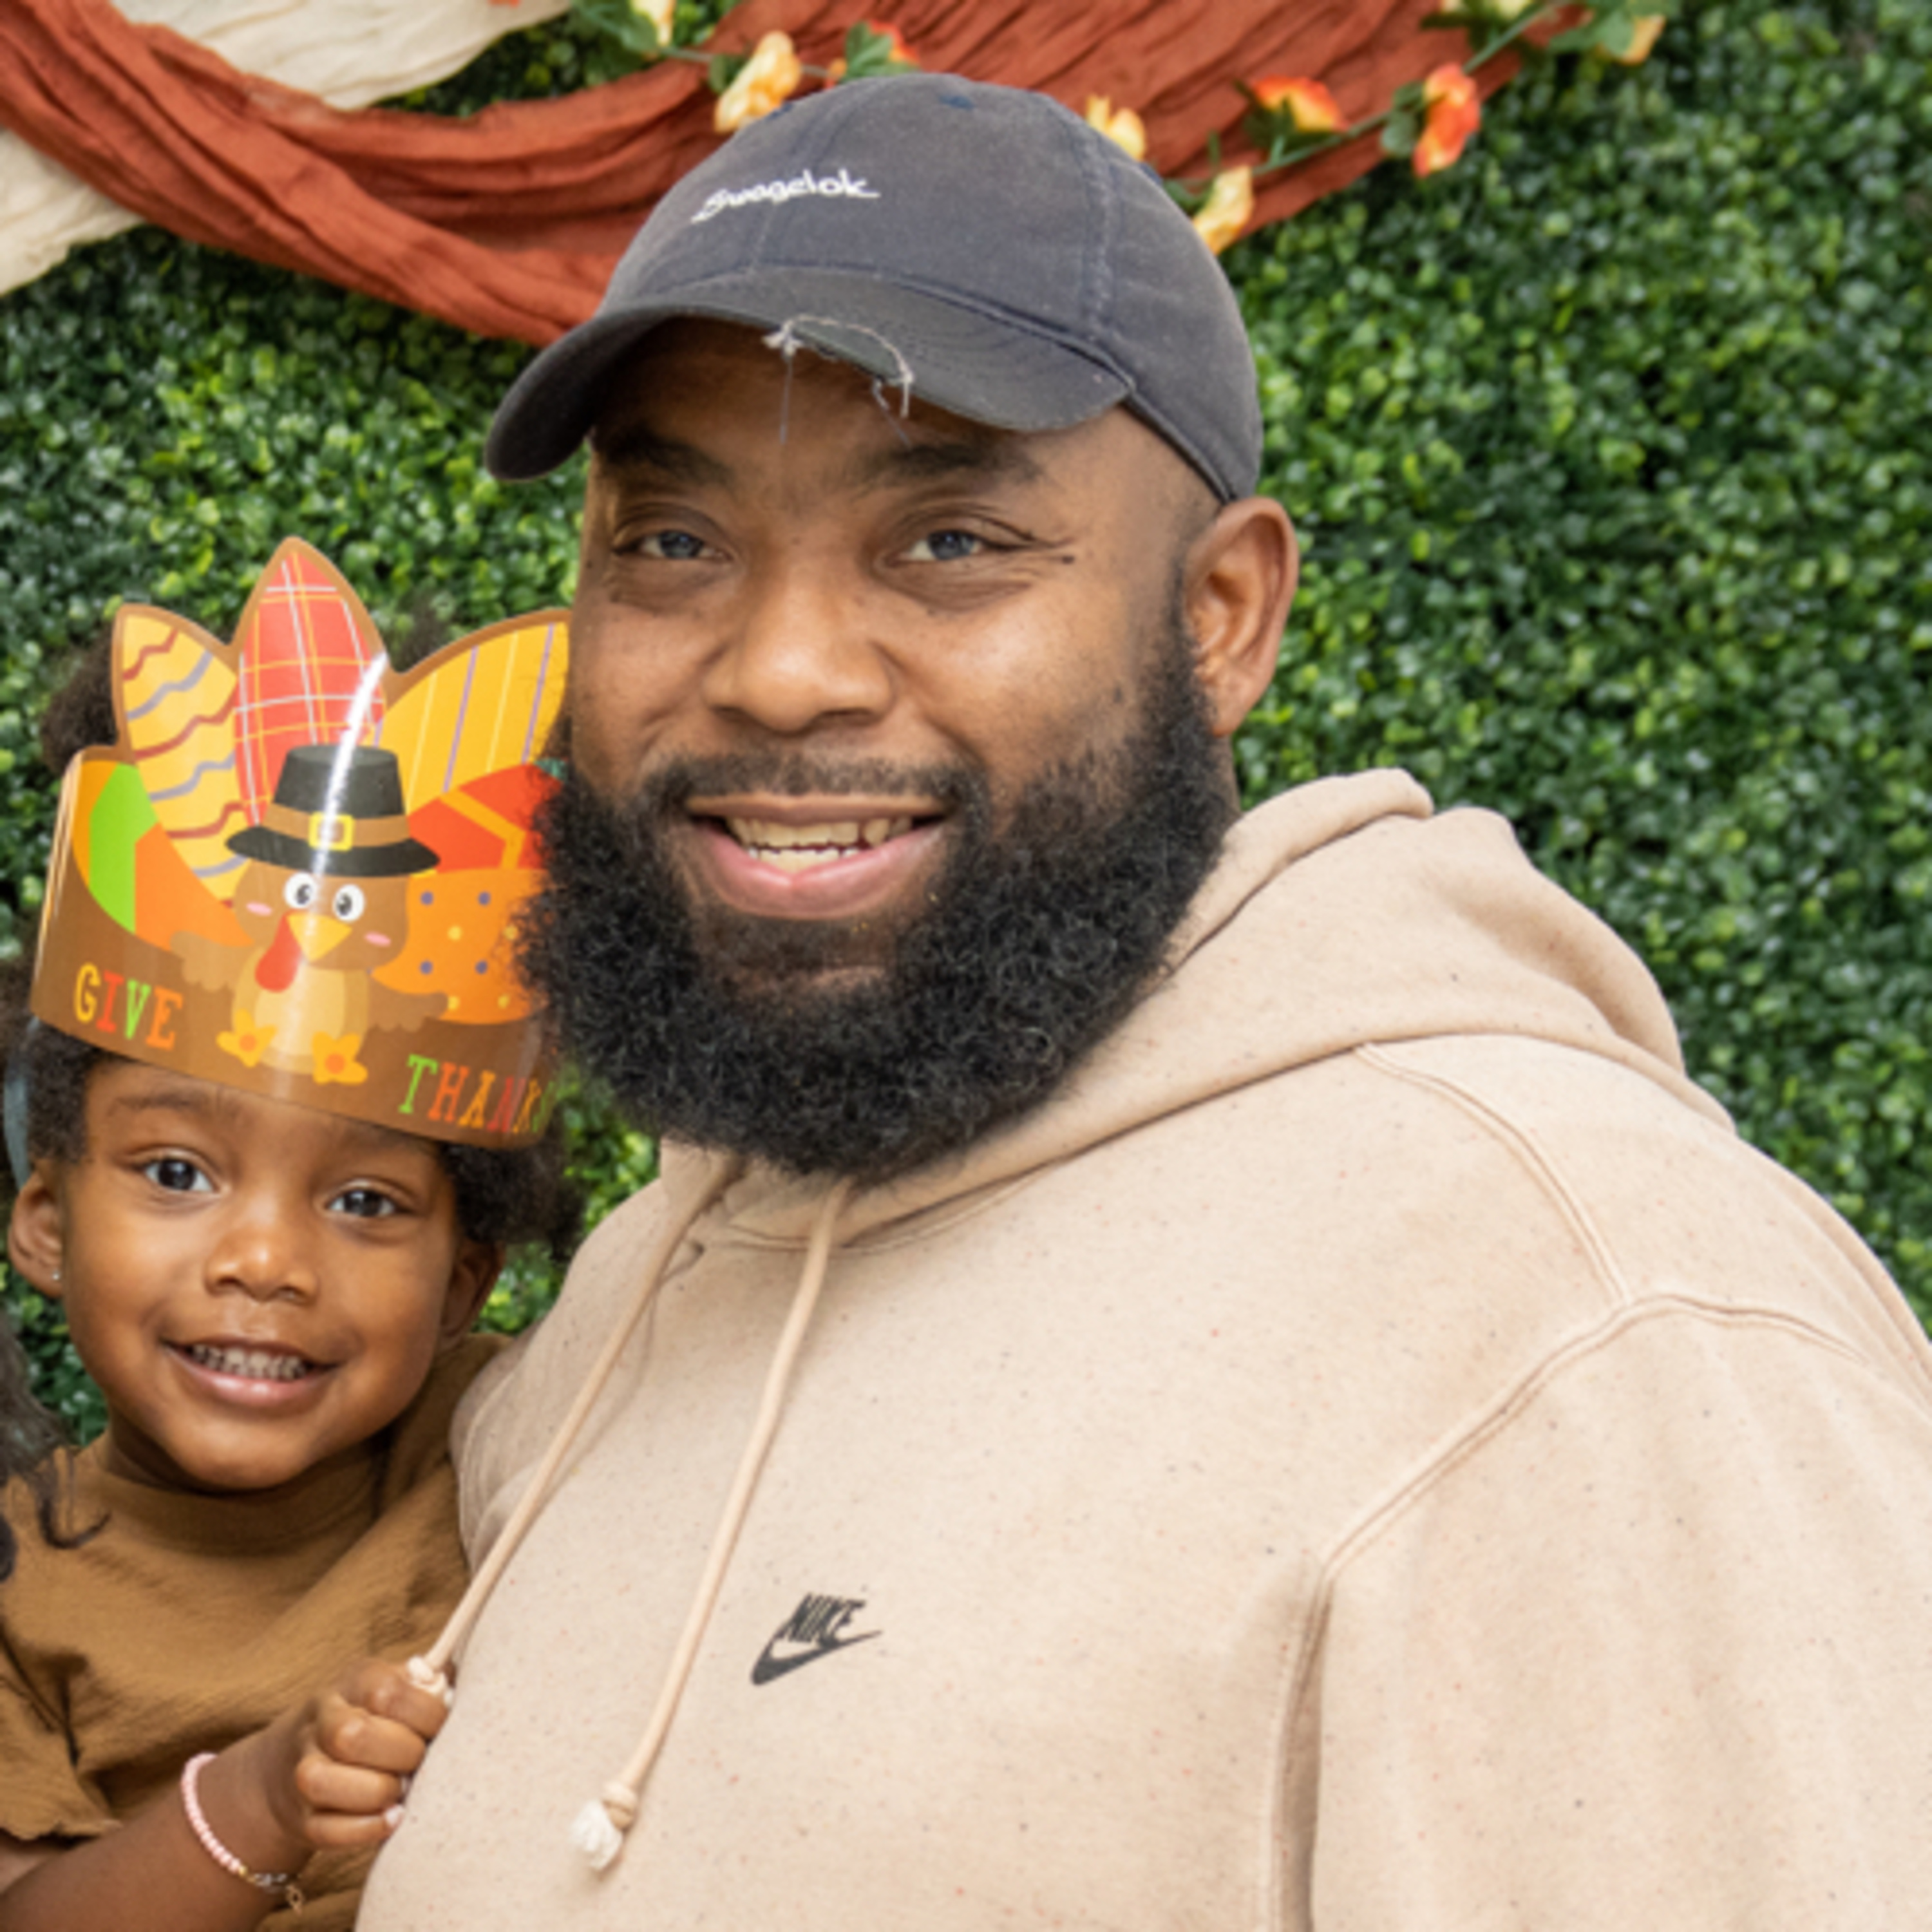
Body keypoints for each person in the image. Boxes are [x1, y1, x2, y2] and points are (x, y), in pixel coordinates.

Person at [360, 75, 1932, 1929]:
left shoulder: (1589, 1326)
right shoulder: (648, 1284)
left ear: (1221, 620)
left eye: (951, 541)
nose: (778, 671)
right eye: (673, 543)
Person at [0, 541, 577, 1932]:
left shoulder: (511, 1440)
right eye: (177, 1171)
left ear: (465, 1279)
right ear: (44, 1220)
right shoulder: (17, 1582)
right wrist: (259, 1801)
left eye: (367, 1202)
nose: (265, 1262)